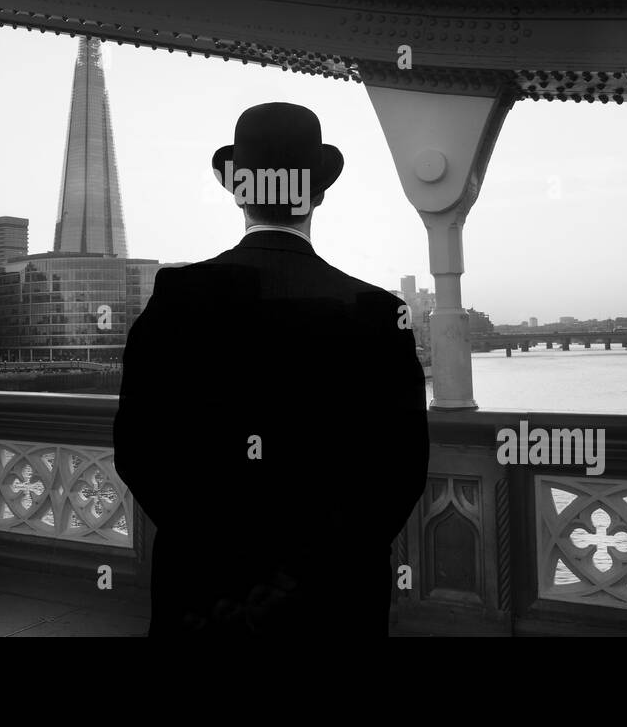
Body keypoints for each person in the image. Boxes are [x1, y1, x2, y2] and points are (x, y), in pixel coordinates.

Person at [113, 102, 430, 636]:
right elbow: (401, 469)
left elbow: (139, 450)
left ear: (239, 192)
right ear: (319, 193)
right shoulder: (375, 310)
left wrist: (211, 543)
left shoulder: (177, 298)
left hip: (206, 589)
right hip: (336, 597)